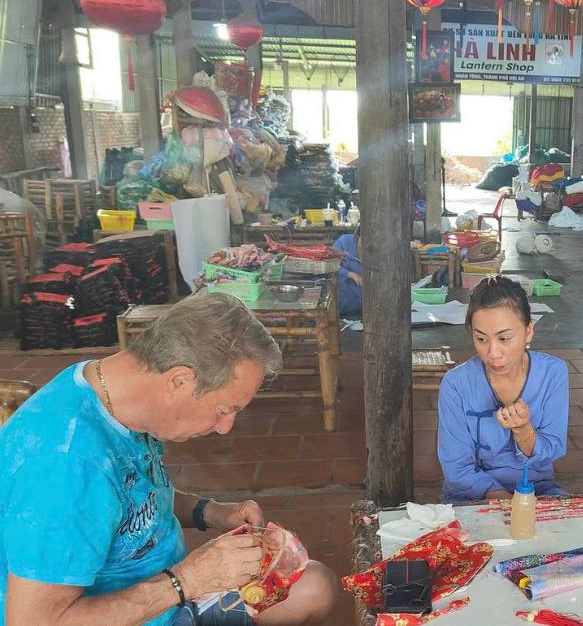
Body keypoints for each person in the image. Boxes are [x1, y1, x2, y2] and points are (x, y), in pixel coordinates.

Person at [0, 293, 340, 626]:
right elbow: (33, 621)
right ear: (179, 380)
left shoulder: (117, 394)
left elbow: (127, 498)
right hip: (137, 608)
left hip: (167, 593)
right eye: (224, 410)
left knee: (315, 587)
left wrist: (210, 511)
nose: (225, 428)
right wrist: (187, 580)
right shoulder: (65, 465)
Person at [437, 276, 569, 503]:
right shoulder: (456, 385)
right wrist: (505, 502)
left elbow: (552, 449)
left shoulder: (553, 373)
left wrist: (523, 430)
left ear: (528, 332)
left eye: (504, 338)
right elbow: (456, 468)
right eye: (481, 339)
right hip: (472, 496)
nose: (493, 353)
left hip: (537, 491)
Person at [333, 225, 363, 315]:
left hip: (362, 305)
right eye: (364, 240)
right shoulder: (344, 242)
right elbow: (329, 266)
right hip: (341, 300)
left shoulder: (380, 251)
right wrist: (350, 274)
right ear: (357, 235)